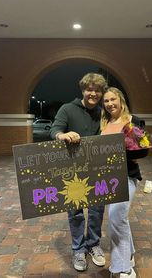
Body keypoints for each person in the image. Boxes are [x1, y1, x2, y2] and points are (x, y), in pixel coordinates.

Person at [49, 72, 108, 272]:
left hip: (97, 171)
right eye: (89, 89)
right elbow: (54, 130)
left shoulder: (102, 113)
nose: (93, 93)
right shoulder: (67, 109)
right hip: (72, 172)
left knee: (97, 210)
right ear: (83, 90)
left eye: (97, 90)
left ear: (101, 93)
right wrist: (63, 135)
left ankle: (94, 245)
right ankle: (78, 249)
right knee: (75, 212)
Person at [101, 87, 146, 278]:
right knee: (119, 219)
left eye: (113, 99)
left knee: (116, 219)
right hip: (107, 178)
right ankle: (129, 257)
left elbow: (143, 147)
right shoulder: (104, 122)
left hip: (127, 175)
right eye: (106, 101)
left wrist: (135, 152)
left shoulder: (133, 121)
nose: (110, 104)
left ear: (121, 100)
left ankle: (123, 269)